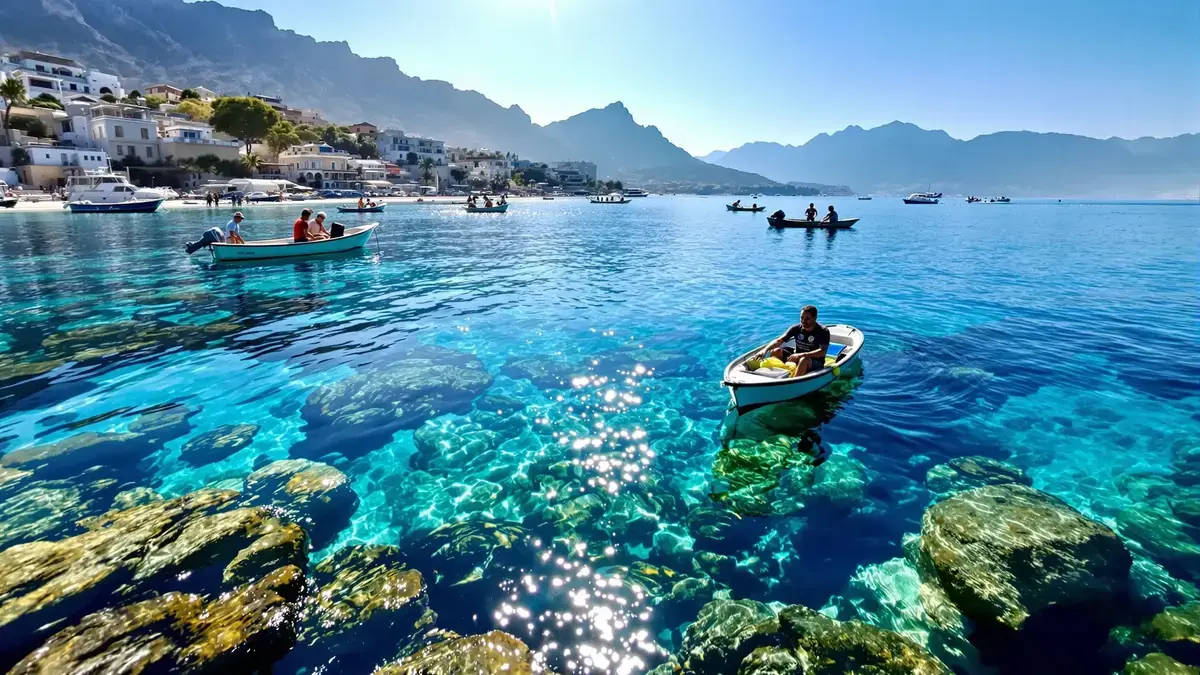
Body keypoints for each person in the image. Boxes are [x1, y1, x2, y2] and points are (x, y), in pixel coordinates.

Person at [756, 305, 830, 377]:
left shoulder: (823, 331)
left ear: (815, 318)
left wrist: (801, 355)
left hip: (814, 362)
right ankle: (776, 375)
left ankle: (794, 381)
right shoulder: (796, 328)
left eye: (807, 319)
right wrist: (764, 350)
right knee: (776, 351)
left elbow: (822, 352)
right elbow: (779, 340)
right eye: (802, 318)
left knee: (804, 360)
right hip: (797, 355)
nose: (803, 321)